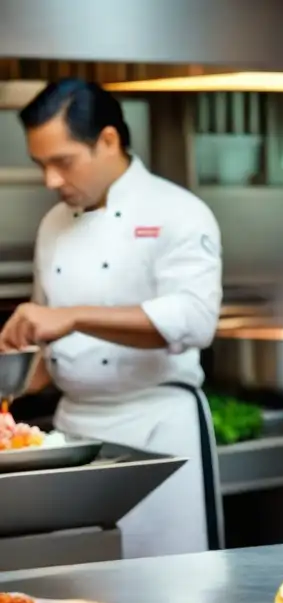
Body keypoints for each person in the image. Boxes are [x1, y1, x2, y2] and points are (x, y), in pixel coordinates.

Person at [0, 79, 223, 558]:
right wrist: (11, 384)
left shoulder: (178, 212)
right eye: (41, 165)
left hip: (158, 428)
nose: (51, 181)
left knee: (172, 593)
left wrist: (72, 317)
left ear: (108, 140)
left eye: (63, 162)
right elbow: (48, 342)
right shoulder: (53, 224)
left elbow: (195, 319)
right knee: (80, 589)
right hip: (71, 435)